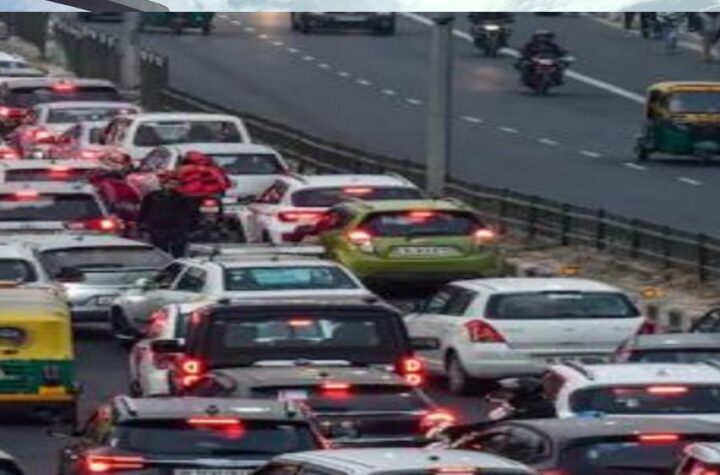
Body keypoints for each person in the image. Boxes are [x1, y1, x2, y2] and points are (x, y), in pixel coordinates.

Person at [138, 173, 199, 258]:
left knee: (178, 252)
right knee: (160, 252)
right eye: (170, 184)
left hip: (177, 229)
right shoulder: (152, 196)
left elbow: (192, 213)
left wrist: (190, 227)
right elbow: (144, 211)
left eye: (175, 184)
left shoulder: (183, 198)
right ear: (164, 184)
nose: (172, 186)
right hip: (158, 228)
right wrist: (143, 225)